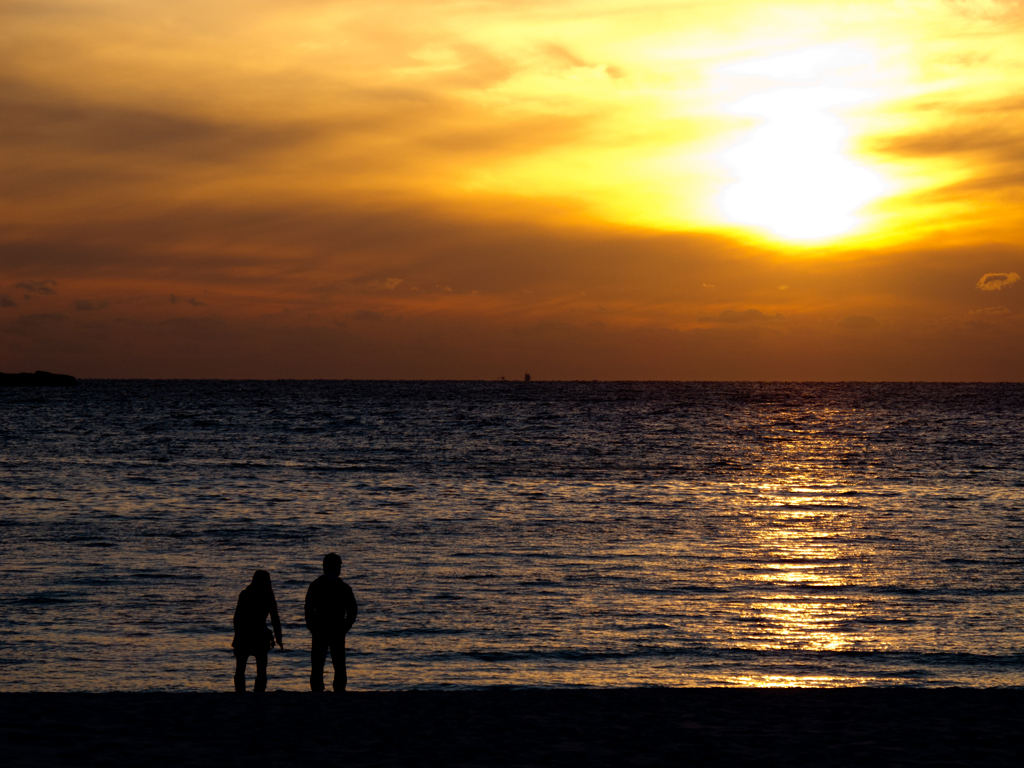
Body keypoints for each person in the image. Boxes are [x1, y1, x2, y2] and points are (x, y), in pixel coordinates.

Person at [305, 553, 358, 692]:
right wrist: (345, 627)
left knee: (317, 664)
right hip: (336, 629)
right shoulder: (344, 588)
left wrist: (312, 627)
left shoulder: (316, 585)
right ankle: (338, 690)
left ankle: (317, 690)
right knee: (339, 664)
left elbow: (308, 609)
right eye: (339, 566)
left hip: (320, 629)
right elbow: (352, 611)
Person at [232, 569, 283, 693]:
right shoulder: (268, 596)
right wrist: (278, 637)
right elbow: (275, 618)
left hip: (244, 635)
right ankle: (259, 694)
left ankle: (240, 693)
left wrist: (238, 634)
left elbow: (237, 618)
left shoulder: (245, 594)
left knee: (240, 669)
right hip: (260, 635)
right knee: (261, 669)